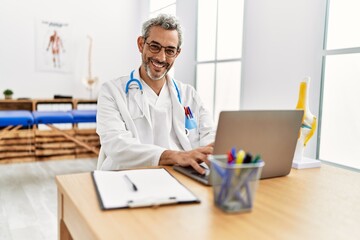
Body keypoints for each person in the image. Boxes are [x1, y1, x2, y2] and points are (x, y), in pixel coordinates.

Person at [96, 14, 215, 174]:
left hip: (181, 175)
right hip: (127, 176)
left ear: (177, 53)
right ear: (141, 44)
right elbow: (116, 145)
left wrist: (214, 151)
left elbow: (209, 135)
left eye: (170, 50)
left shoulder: (189, 94)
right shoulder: (111, 91)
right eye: (154, 46)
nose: (161, 57)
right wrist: (175, 156)